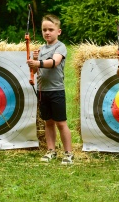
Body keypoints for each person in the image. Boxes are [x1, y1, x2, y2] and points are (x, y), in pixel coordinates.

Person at [27, 14, 74, 165]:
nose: (47, 32)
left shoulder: (60, 47)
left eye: (51, 29)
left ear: (58, 31)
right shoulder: (40, 49)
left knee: (61, 123)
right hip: (43, 90)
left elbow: (54, 62)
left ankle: (68, 153)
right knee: (48, 122)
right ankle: (51, 150)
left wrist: (38, 62)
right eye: (44, 30)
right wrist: (33, 66)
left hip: (56, 90)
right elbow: (35, 71)